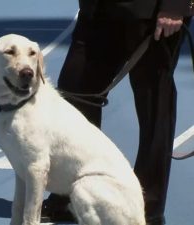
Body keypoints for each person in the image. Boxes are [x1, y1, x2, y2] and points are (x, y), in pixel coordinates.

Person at [42, 1, 193, 225]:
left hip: (151, 13)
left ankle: (146, 207)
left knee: (154, 106)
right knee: (74, 94)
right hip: (99, 11)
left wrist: (176, 4)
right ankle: (69, 195)